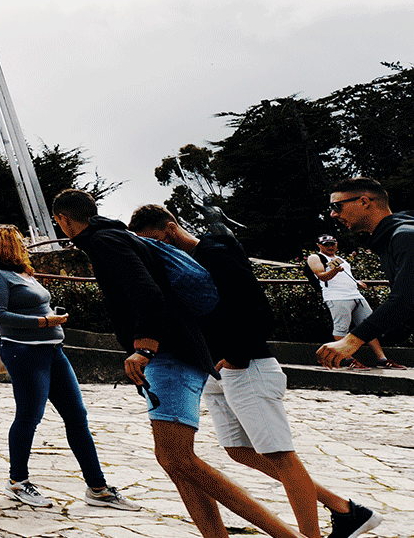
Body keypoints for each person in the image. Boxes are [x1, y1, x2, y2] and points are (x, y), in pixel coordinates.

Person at [51, 188, 304, 538]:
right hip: (178, 352)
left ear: (63, 220)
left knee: (178, 459)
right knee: (174, 463)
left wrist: (145, 347)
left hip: (169, 355)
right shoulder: (118, 235)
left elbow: (145, 292)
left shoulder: (104, 241)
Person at [132, 205, 383, 538]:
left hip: (248, 366)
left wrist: (237, 357)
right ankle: (344, 509)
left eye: (158, 241)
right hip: (218, 369)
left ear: (171, 227)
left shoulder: (216, 253)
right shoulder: (188, 263)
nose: (157, 250)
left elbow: (258, 310)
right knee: (238, 451)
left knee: (282, 458)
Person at [0, 225, 137, 511]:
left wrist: (52, 317)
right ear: (5, 245)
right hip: (24, 353)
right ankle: (17, 482)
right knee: (29, 416)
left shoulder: (26, 274)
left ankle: (97, 487)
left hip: (54, 351)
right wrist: (44, 322)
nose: (24, 245)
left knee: (77, 415)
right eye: (19, 241)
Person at [319, 177, 413, 371]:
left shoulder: (405, 236)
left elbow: (406, 298)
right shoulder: (394, 238)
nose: (333, 214)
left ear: (364, 201)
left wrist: (352, 340)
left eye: (337, 206)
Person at [306, 235, 401, 369]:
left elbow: (343, 275)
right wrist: (334, 271)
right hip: (337, 296)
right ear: (319, 245)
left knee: (370, 326)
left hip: (355, 295)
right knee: (341, 327)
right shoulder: (315, 257)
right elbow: (322, 276)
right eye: (326, 244)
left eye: (332, 243)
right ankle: (348, 359)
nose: (330, 246)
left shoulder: (339, 259)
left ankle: (382, 359)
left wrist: (355, 282)